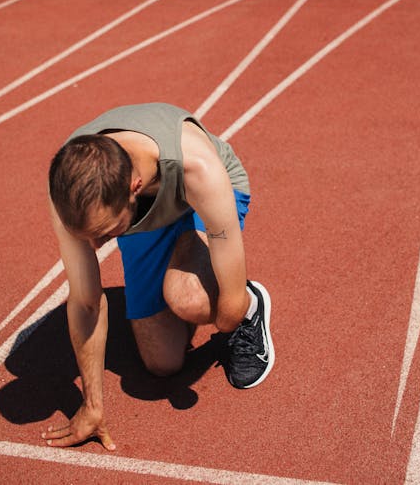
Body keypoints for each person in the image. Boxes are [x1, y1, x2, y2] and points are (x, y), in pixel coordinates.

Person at [43, 102, 274, 450]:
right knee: (162, 364)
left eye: (106, 232)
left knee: (199, 303)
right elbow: (86, 303)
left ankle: (252, 305)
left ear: (134, 186)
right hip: (147, 219)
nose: (96, 244)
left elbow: (226, 244)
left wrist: (232, 310)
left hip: (201, 201)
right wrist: (92, 406)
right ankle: (180, 269)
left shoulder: (198, 166)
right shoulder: (70, 194)